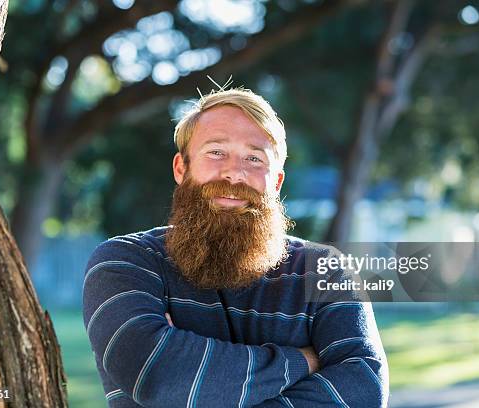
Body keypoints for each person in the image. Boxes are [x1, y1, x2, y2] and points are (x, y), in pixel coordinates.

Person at [83, 87, 389, 407]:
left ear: (277, 182)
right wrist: (304, 361)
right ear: (181, 168)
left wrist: (198, 371)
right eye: (216, 152)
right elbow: (159, 377)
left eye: (254, 158)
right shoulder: (125, 262)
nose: (234, 173)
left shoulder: (324, 268)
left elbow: (365, 389)